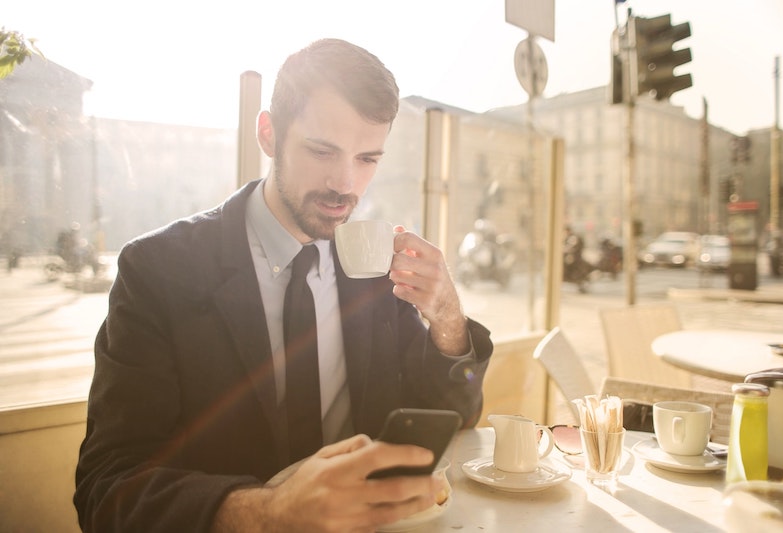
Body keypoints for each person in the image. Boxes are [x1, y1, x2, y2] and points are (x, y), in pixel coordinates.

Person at [73, 38, 493, 532]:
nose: (345, 184)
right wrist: (269, 513)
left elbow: (450, 420)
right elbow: (106, 491)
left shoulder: (373, 265)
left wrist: (446, 316)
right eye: (322, 150)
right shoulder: (160, 269)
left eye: (367, 159)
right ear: (269, 135)